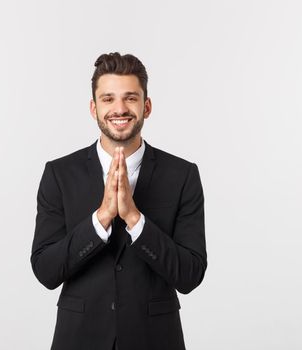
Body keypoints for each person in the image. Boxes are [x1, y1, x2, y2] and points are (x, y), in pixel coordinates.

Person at [31, 52, 207, 350]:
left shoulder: (183, 175)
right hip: (79, 338)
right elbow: (45, 270)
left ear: (146, 106)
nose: (120, 108)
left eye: (130, 98)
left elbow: (190, 274)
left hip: (155, 339)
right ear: (93, 107)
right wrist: (100, 219)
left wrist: (135, 220)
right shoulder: (59, 174)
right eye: (108, 99)